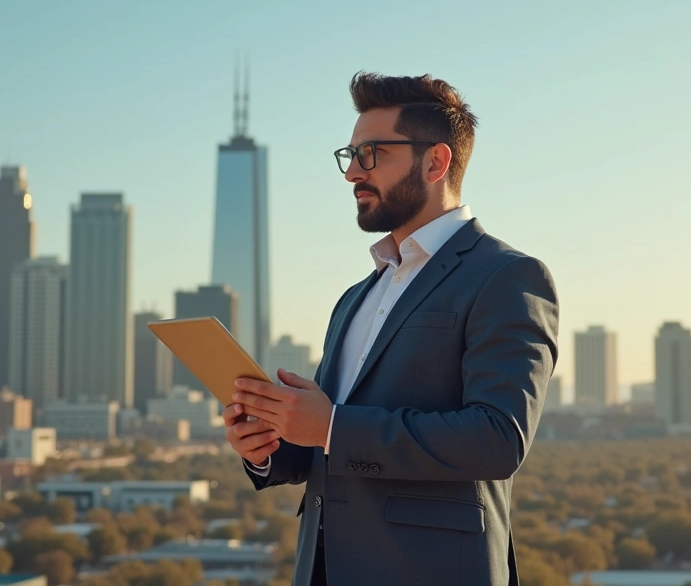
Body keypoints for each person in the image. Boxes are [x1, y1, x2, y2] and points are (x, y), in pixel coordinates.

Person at [223, 71, 559, 586]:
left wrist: (331, 426)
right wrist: (270, 445)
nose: (352, 172)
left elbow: (497, 440)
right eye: (350, 154)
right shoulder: (355, 297)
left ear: (436, 161)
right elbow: (329, 444)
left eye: (371, 153)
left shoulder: (506, 276)